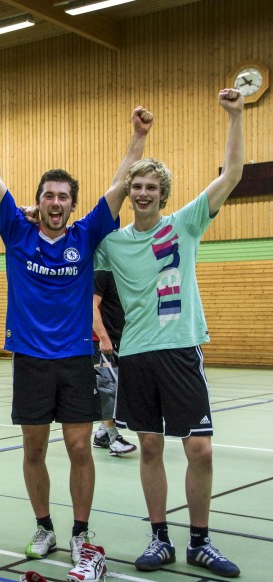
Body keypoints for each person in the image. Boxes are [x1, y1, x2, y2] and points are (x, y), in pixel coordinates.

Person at [0, 97, 153, 582]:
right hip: (30, 361)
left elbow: (118, 187)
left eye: (63, 197)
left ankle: (79, 531)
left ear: (73, 204)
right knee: (34, 451)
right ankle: (44, 527)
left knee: (78, 450)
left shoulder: (88, 234)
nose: (55, 203)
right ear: (40, 201)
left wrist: (137, 136)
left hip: (76, 360)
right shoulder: (16, 230)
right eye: (48, 196)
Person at [95, 89, 244, 578]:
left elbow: (234, 175)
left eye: (150, 188)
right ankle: (159, 538)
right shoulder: (111, 244)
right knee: (151, 447)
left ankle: (200, 540)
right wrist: (134, 143)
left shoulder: (185, 225)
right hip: (136, 356)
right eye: (135, 186)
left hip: (180, 351)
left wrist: (235, 116)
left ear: (163, 194)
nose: (141, 193)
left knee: (198, 447)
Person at [91, 270, 137, 456]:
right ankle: (113, 439)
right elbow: (91, 306)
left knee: (120, 391)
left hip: (123, 341)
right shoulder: (102, 273)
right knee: (107, 390)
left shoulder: (124, 272)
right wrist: (103, 337)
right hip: (102, 343)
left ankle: (101, 434)